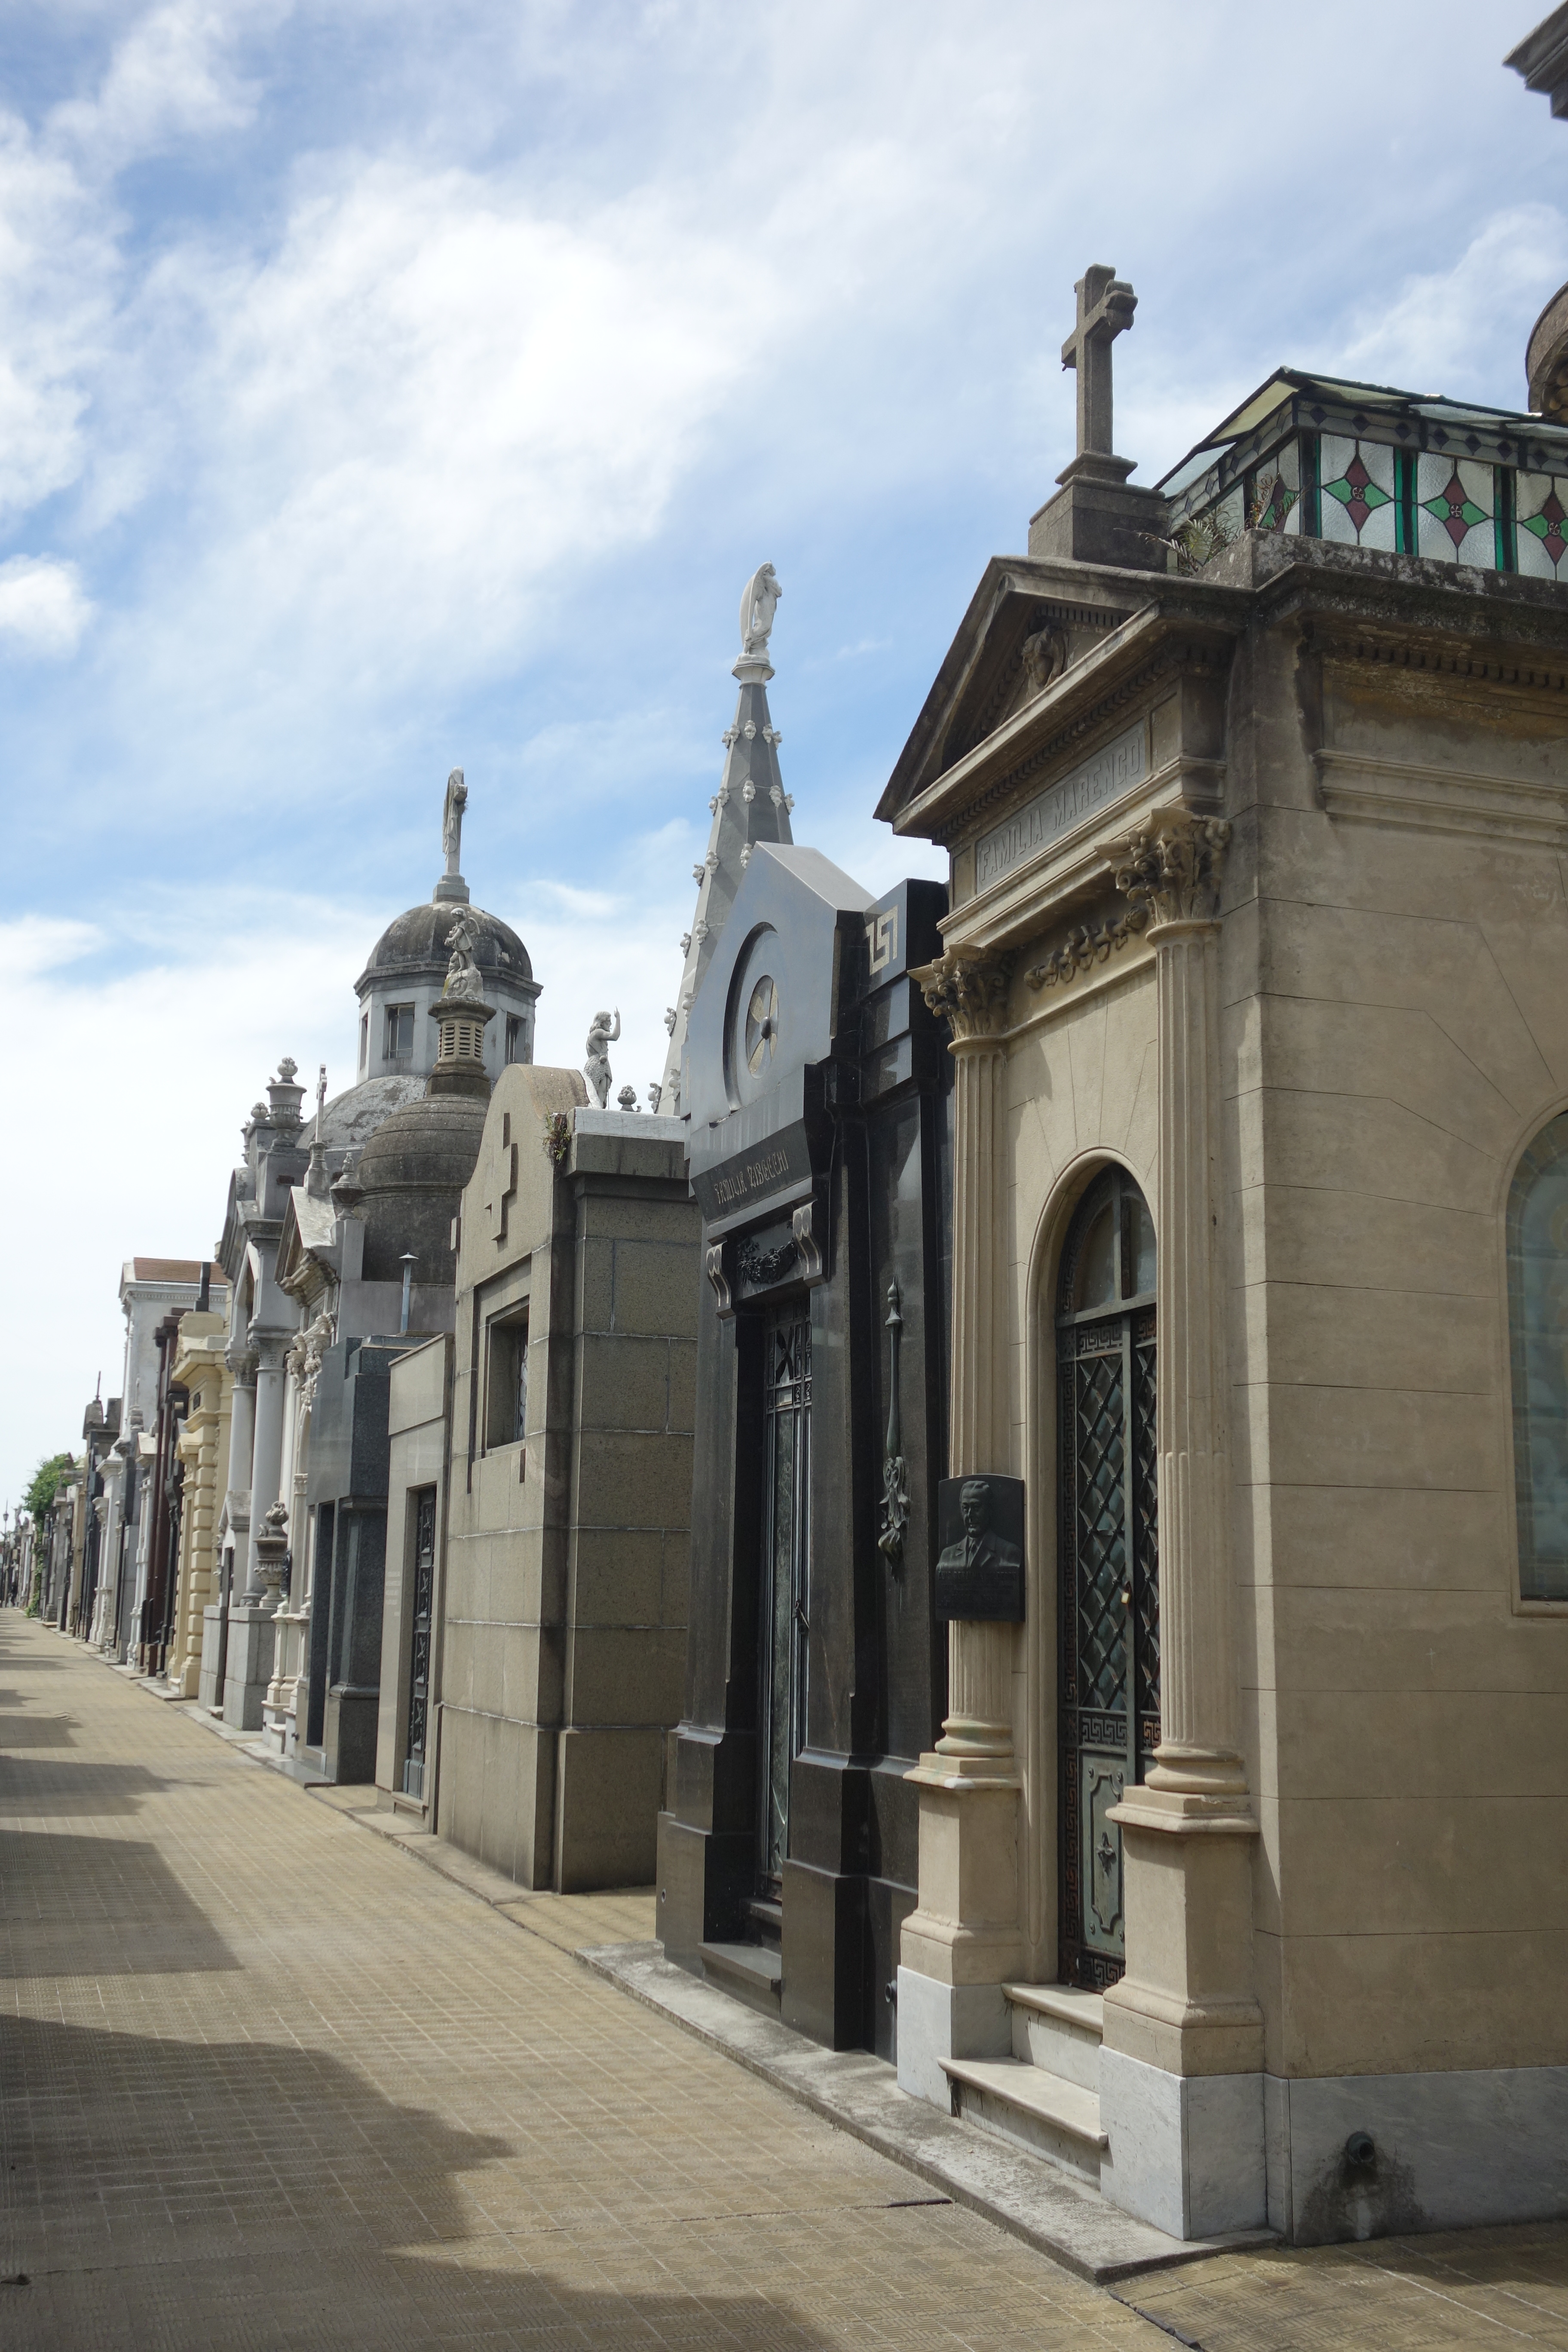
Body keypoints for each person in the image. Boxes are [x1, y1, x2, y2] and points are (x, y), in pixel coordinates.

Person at [935, 1477, 1022, 1620]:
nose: (970, 1515)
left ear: (989, 1510)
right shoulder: (947, 1555)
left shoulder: (1009, 1553)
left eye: (976, 1508)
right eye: (966, 1508)